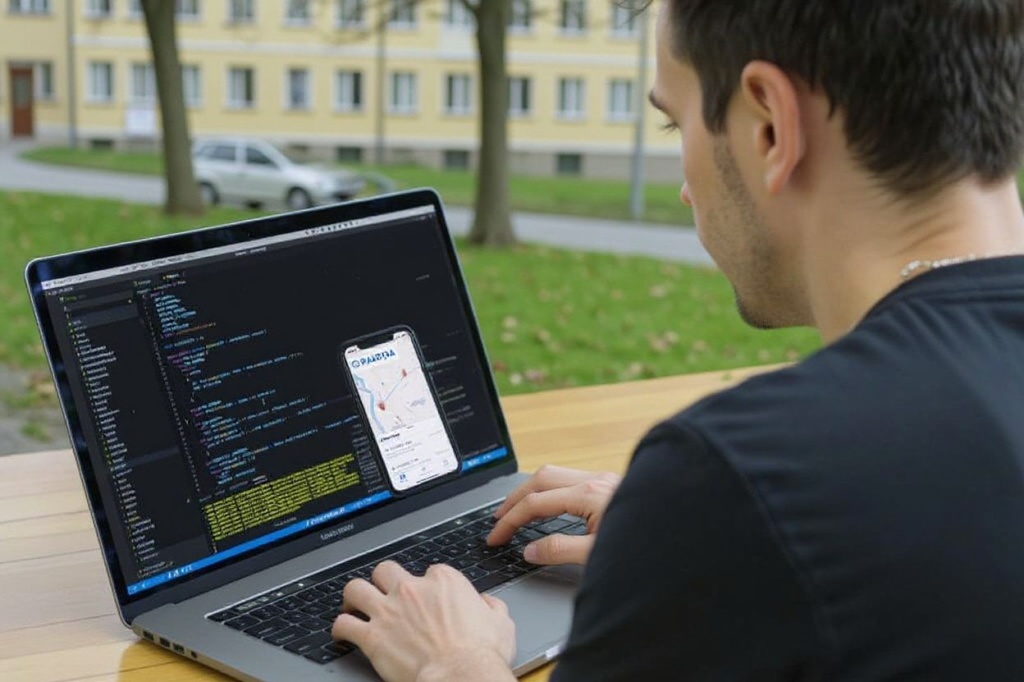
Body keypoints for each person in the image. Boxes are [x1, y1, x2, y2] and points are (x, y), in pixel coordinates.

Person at [332, 0, 1024, 679]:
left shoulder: (739, 473)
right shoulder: (763, 501)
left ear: (770, 126)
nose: (686, 190)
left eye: (675, 123)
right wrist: (689, 543)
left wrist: (454, 662)